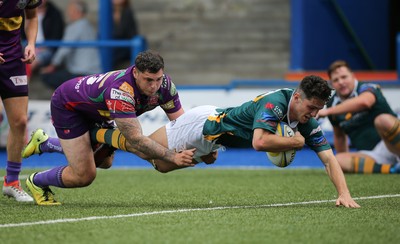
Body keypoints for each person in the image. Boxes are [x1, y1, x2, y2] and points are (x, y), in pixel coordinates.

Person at [26, 75, 360, 208]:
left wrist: (343, 193)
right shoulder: (275, 103)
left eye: (318, 110)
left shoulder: (306, 118)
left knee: (107, 162)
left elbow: (330, 158)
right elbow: (260, 142)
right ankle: (95, 132)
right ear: (299, 97)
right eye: (311, 107)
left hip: (213, 138)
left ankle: (50, 142)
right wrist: (294, 143)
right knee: (153, 156)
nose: (313, 114)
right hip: (203, 124)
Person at [23, 50, 195, 206]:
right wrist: (172, 156)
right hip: (68, 106)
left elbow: (182, 123)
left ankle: (45, 142)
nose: (154, 86)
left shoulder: (165, 85)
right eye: (148, 80)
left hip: (97, 112)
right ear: (135, 73)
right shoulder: (121, 91)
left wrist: (204, 144)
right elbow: (135, 140)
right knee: (84, 175)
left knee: (105, 161)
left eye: (158, 79)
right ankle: (37, 181)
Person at [317, 60, 400, 174]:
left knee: (383, 120)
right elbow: (339, 136)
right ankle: (392, 169)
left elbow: (365, 102)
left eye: (344, 77)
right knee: (336, 160)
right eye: (336, 80)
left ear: (352, 76)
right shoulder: (332, 104)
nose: (341, 82)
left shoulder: (367, 87)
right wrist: (344, 160)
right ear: (331, 84)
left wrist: (327, 112)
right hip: (373, 155)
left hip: (393, 143)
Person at [0, 0, 41, 202]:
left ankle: (12, 182)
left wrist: (31, 43)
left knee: (20, 122)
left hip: (13, 61)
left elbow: (32, 17)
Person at [41, 0, 101, 90]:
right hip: (95, 71)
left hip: (81, 72)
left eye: (70, 10)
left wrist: (52, 65)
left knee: (46, 76)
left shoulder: (75, 26)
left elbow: (65, 48)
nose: (68, 13)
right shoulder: (89, 26)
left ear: (77, 12)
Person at [23, 0, 65, 73]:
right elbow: (21, 33)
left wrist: (44, 46)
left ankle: (25, 82)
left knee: (31, 62)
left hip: (45, 48)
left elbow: (57, 35)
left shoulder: (54, 13)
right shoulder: (24, 11)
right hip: (28, 45)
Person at [112, 0, 139, 68]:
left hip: (123, 54)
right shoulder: (108, 13)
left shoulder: (127, 12)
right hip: (112, 53)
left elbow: (130, 33)